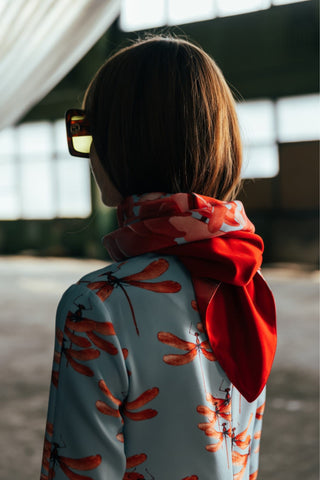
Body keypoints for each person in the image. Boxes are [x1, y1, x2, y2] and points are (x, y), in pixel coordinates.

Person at [41, 36, 276, 480]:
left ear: (125, 142)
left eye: (91, 132)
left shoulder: (98, 303)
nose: (89, 153)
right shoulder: (245, 279)